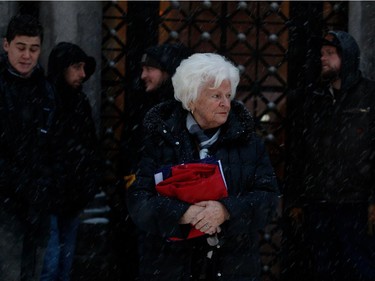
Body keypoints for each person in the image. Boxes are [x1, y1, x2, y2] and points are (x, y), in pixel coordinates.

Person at [127, 53, 279, 281]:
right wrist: (182, 214)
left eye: (228, 95)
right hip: (171, 266)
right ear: (191, 98)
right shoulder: (161, 139)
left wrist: (226, 210)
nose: (226, 104)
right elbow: (139, 201)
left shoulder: (249, 143)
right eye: (216, 96)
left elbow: (268, 200)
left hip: (232, 267)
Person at [284, 31, 375, 281]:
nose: (323, 59)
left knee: (359, 267)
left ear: (347, 58)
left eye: (330, 54)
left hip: (355, 205)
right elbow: (300, 152)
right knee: (321, 269)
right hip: (318, 203)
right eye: (322, 54)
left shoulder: (369, 96)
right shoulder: (314, 99)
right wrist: (296, 199)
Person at [109, 43, 192, 280]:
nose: (143, 75)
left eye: (150, 69)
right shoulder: (145, 104)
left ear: (168, 72)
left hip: (163, 215)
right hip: (141, 210)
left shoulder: (177, 111)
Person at [0, 14, 59, 281]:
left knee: (33, 273)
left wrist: (45, 184)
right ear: (6, 45)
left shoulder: (46, 90)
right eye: (20, 47)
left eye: (34, 49)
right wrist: (19, 182)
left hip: (38, 204)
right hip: (5, 205)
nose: (27, 56)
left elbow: (53, 145)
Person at [40, 42, 100, 281]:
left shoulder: (79, 103)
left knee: (64, 266)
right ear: (62, 68)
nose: (82, 75)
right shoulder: (46, 101)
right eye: (76, 67)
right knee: (51, 265)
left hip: (72, 197)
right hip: (50, 198)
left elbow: (88, 147)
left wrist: (86, 183)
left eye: (83, 68)